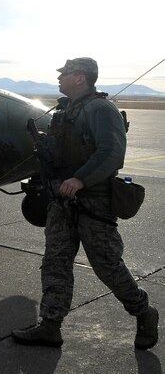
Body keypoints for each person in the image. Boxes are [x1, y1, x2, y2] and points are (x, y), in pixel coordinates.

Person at [12, 57, 158, 350]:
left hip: (93, 200)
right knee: (55, 262)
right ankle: (50, 325)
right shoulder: (64, 111)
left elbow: (112, 152)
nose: (59, 79)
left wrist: (80, 179)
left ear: (80, 78)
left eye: (64, 74)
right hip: (61, 199)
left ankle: (143, 312)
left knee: (106, 265)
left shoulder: (101, 109)